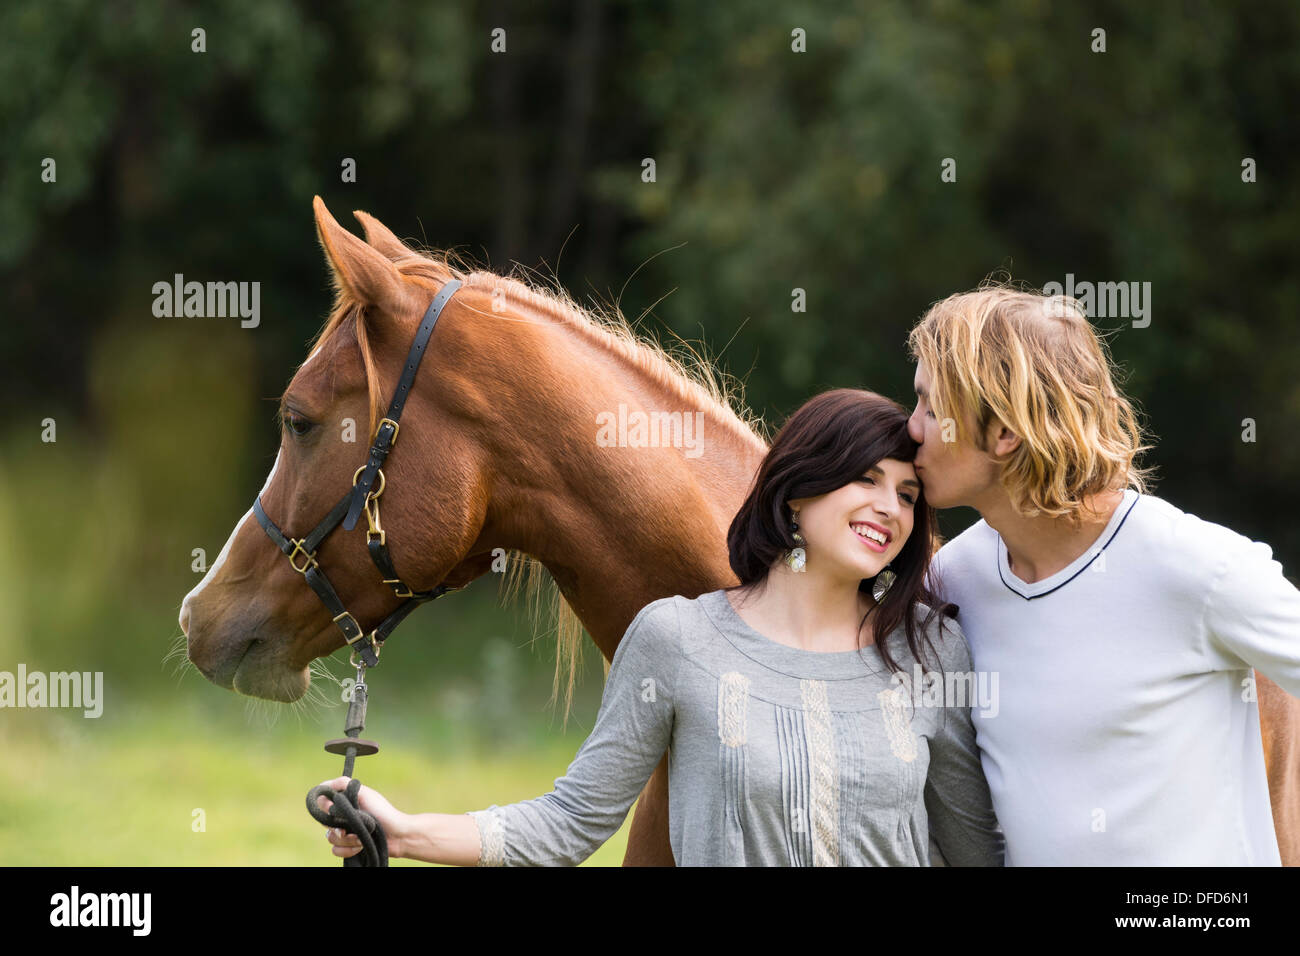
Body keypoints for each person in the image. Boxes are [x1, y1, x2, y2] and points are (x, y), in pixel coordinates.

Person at [316, 388, 1004, 865]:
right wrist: (402, 833)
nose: (890, 507)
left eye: (907, 495)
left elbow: (977, 851)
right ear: (798, 489)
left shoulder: (928, 649)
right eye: (866, 480)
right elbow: (569, 824)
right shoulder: (678, 642)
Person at [907, 282, 1300, 865]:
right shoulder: (949, 583)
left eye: (929, 408)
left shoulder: (1197, 569)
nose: (909, 427)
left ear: (1005, 431)